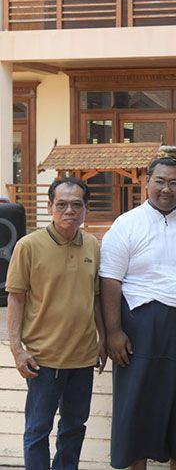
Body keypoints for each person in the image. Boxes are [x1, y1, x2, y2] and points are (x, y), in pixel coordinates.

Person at [100, 150, 176, 470]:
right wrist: (113, 331)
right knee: (137, 402)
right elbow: (109, 280)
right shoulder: (126, 224)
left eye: (174, 183)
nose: (167, 189)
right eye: (160, 181)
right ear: (146, 182)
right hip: (141, 325)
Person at [6, 177, 105, 469]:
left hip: (83, 357)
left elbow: (96, 298)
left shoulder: (92, 245)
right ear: (49, 207)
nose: (69, 211)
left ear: (86, 209)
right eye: (61, 204)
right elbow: (16, 299)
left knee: (74, 427)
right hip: (43, 359)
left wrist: (102, 340)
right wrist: (17, 350)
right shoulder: (28, 246)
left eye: (76, 205)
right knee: (38, 429)